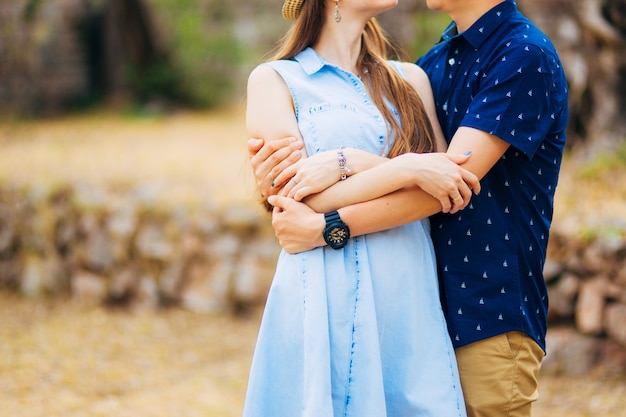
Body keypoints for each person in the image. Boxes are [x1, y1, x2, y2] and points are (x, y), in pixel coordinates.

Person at [248, 1, 569, 416]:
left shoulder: (427, 75)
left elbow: (445, 183)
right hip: (329, 294)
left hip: (446, 303)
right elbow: (291, 198)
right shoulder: (432, 62)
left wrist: (343, 176)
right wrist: (409, 167)